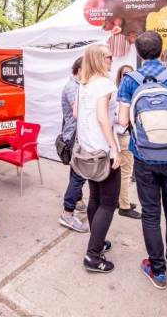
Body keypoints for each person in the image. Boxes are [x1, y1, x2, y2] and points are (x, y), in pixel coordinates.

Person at [117, 32, 167, 289]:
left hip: (144, 156)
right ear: (162, 52)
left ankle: (157, 271)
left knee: (151, 213)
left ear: (138, 54)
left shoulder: (130, 81)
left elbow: (122, 121)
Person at [75, 44, 122, 273]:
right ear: (98, 59)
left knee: (95, 197)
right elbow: (104, 118)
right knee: (108, 203)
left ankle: (98, 240)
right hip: (103, 150)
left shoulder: (84, 84)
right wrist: (115, 148)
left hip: (88, 149)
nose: (111, 60)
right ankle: (93, 255)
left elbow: (78, 114)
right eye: (108, 56)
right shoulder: (104, 83)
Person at [59, 57, 89, 233]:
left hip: (78, 136)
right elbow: (78, 113)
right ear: (79, 70)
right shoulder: (72, 87)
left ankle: (77, 202)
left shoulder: (80, 86)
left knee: (76, 172)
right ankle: (67, 213)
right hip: (75, 137)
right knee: (79, 174)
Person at [114, 65, 141, 219]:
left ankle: (121, 201)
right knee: (126, 173)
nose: (129, 77)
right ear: (120, 76)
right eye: (125, 74)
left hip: (124, 136)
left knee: (123, 172)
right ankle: (124, 205)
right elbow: (118, 119)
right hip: (123, 136)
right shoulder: (119, 94)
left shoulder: (129, 92)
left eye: (132, 74)